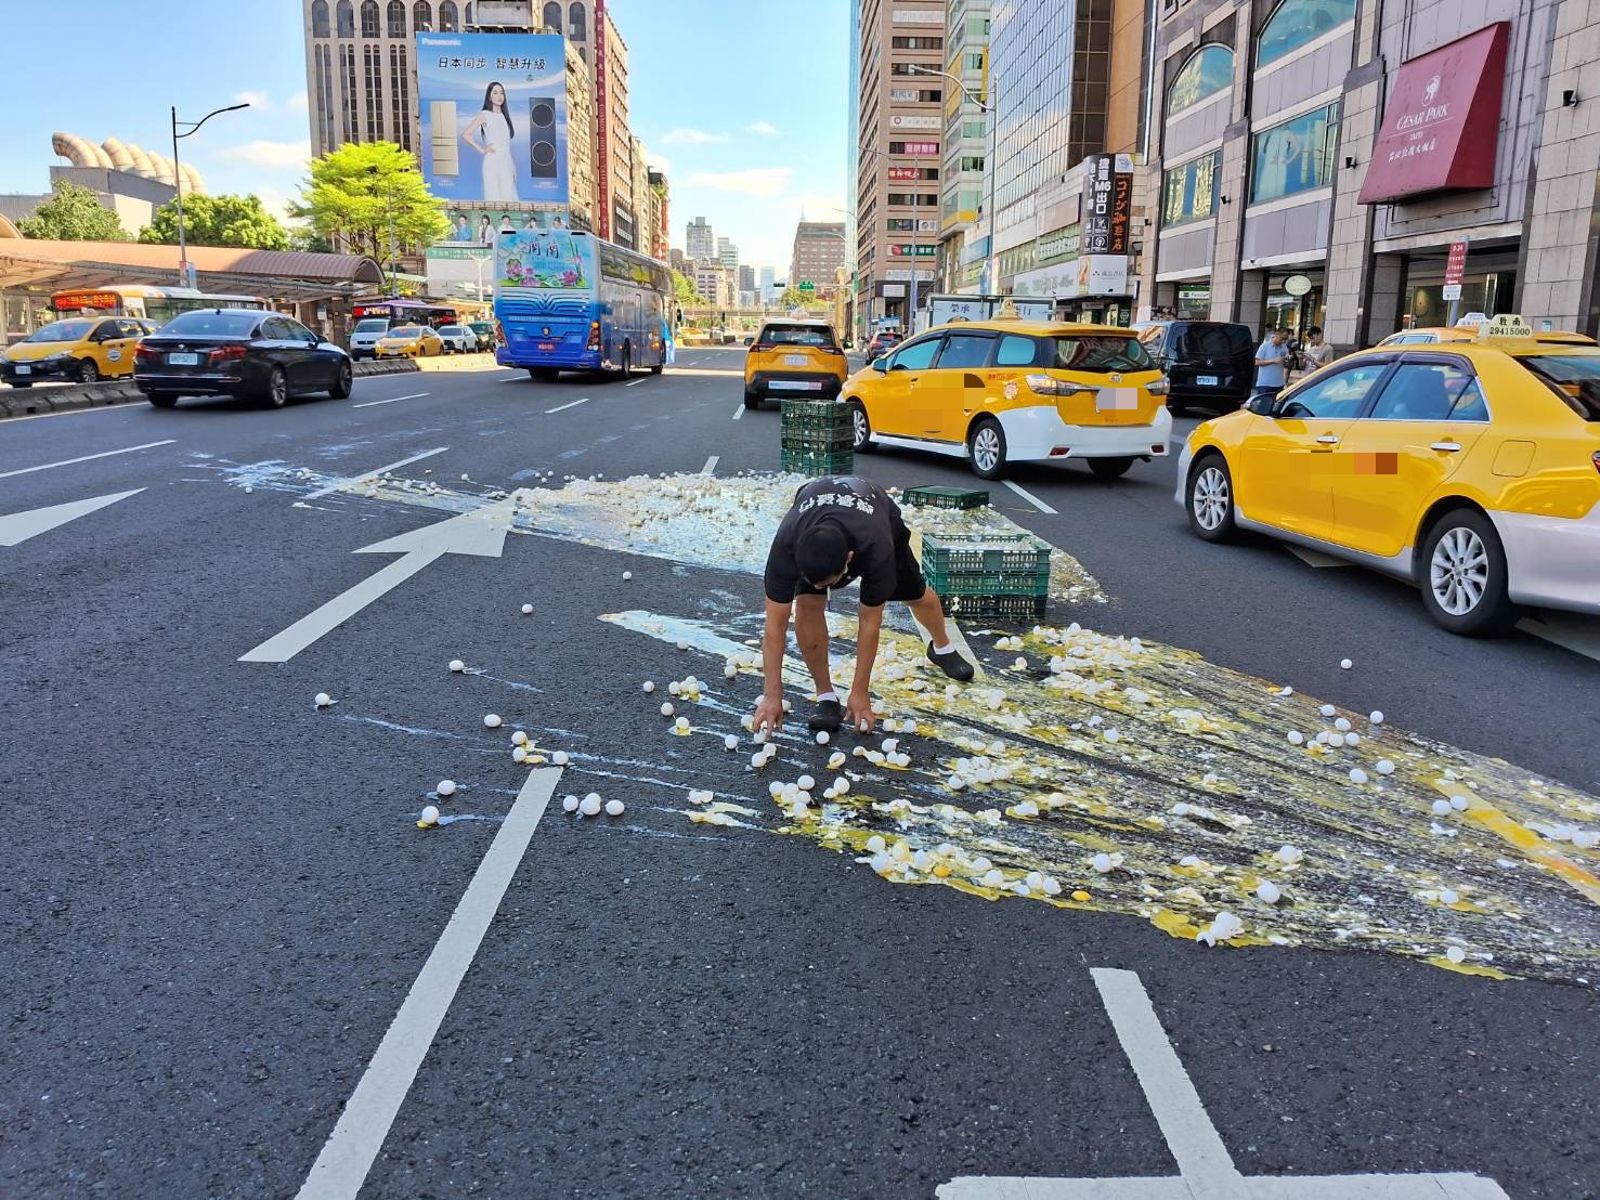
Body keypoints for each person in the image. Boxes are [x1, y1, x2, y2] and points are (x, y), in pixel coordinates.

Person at [755, 476, 974, 737]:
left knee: (915, 594)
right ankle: (825, 695)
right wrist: (771, 695)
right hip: (816, 516)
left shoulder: (876, 546)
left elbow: (869, 621)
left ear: (849, 560)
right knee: (808, 604)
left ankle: (942, 647)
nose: (826, 588)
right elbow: (774, 626)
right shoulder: (786, 545)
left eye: (830, 583)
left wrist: (860, 691)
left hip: (877, 514)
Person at [461, 81, 518, 202]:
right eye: (495, 93)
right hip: (492, 162)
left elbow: (506, 146)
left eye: (502, 93)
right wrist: (482, 150)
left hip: (506, 162)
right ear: (489, 96)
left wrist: (513, 168)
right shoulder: (485, 114)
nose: (499, 96)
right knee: (494, 197)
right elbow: (466, 134)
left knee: (509, 197)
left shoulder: (505, 116)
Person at [1254, 328, 1290, 398]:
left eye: (1285, 339)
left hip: (1279, 384)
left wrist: (1287, 359)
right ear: (1276, 334)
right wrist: (1273, 361)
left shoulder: (1284, 346)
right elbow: (1257, 362)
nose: (1283, 341)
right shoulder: (1265, 346)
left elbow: (1287, 358)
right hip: (1265, 384)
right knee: (1263, 406)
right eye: (1282, 338)